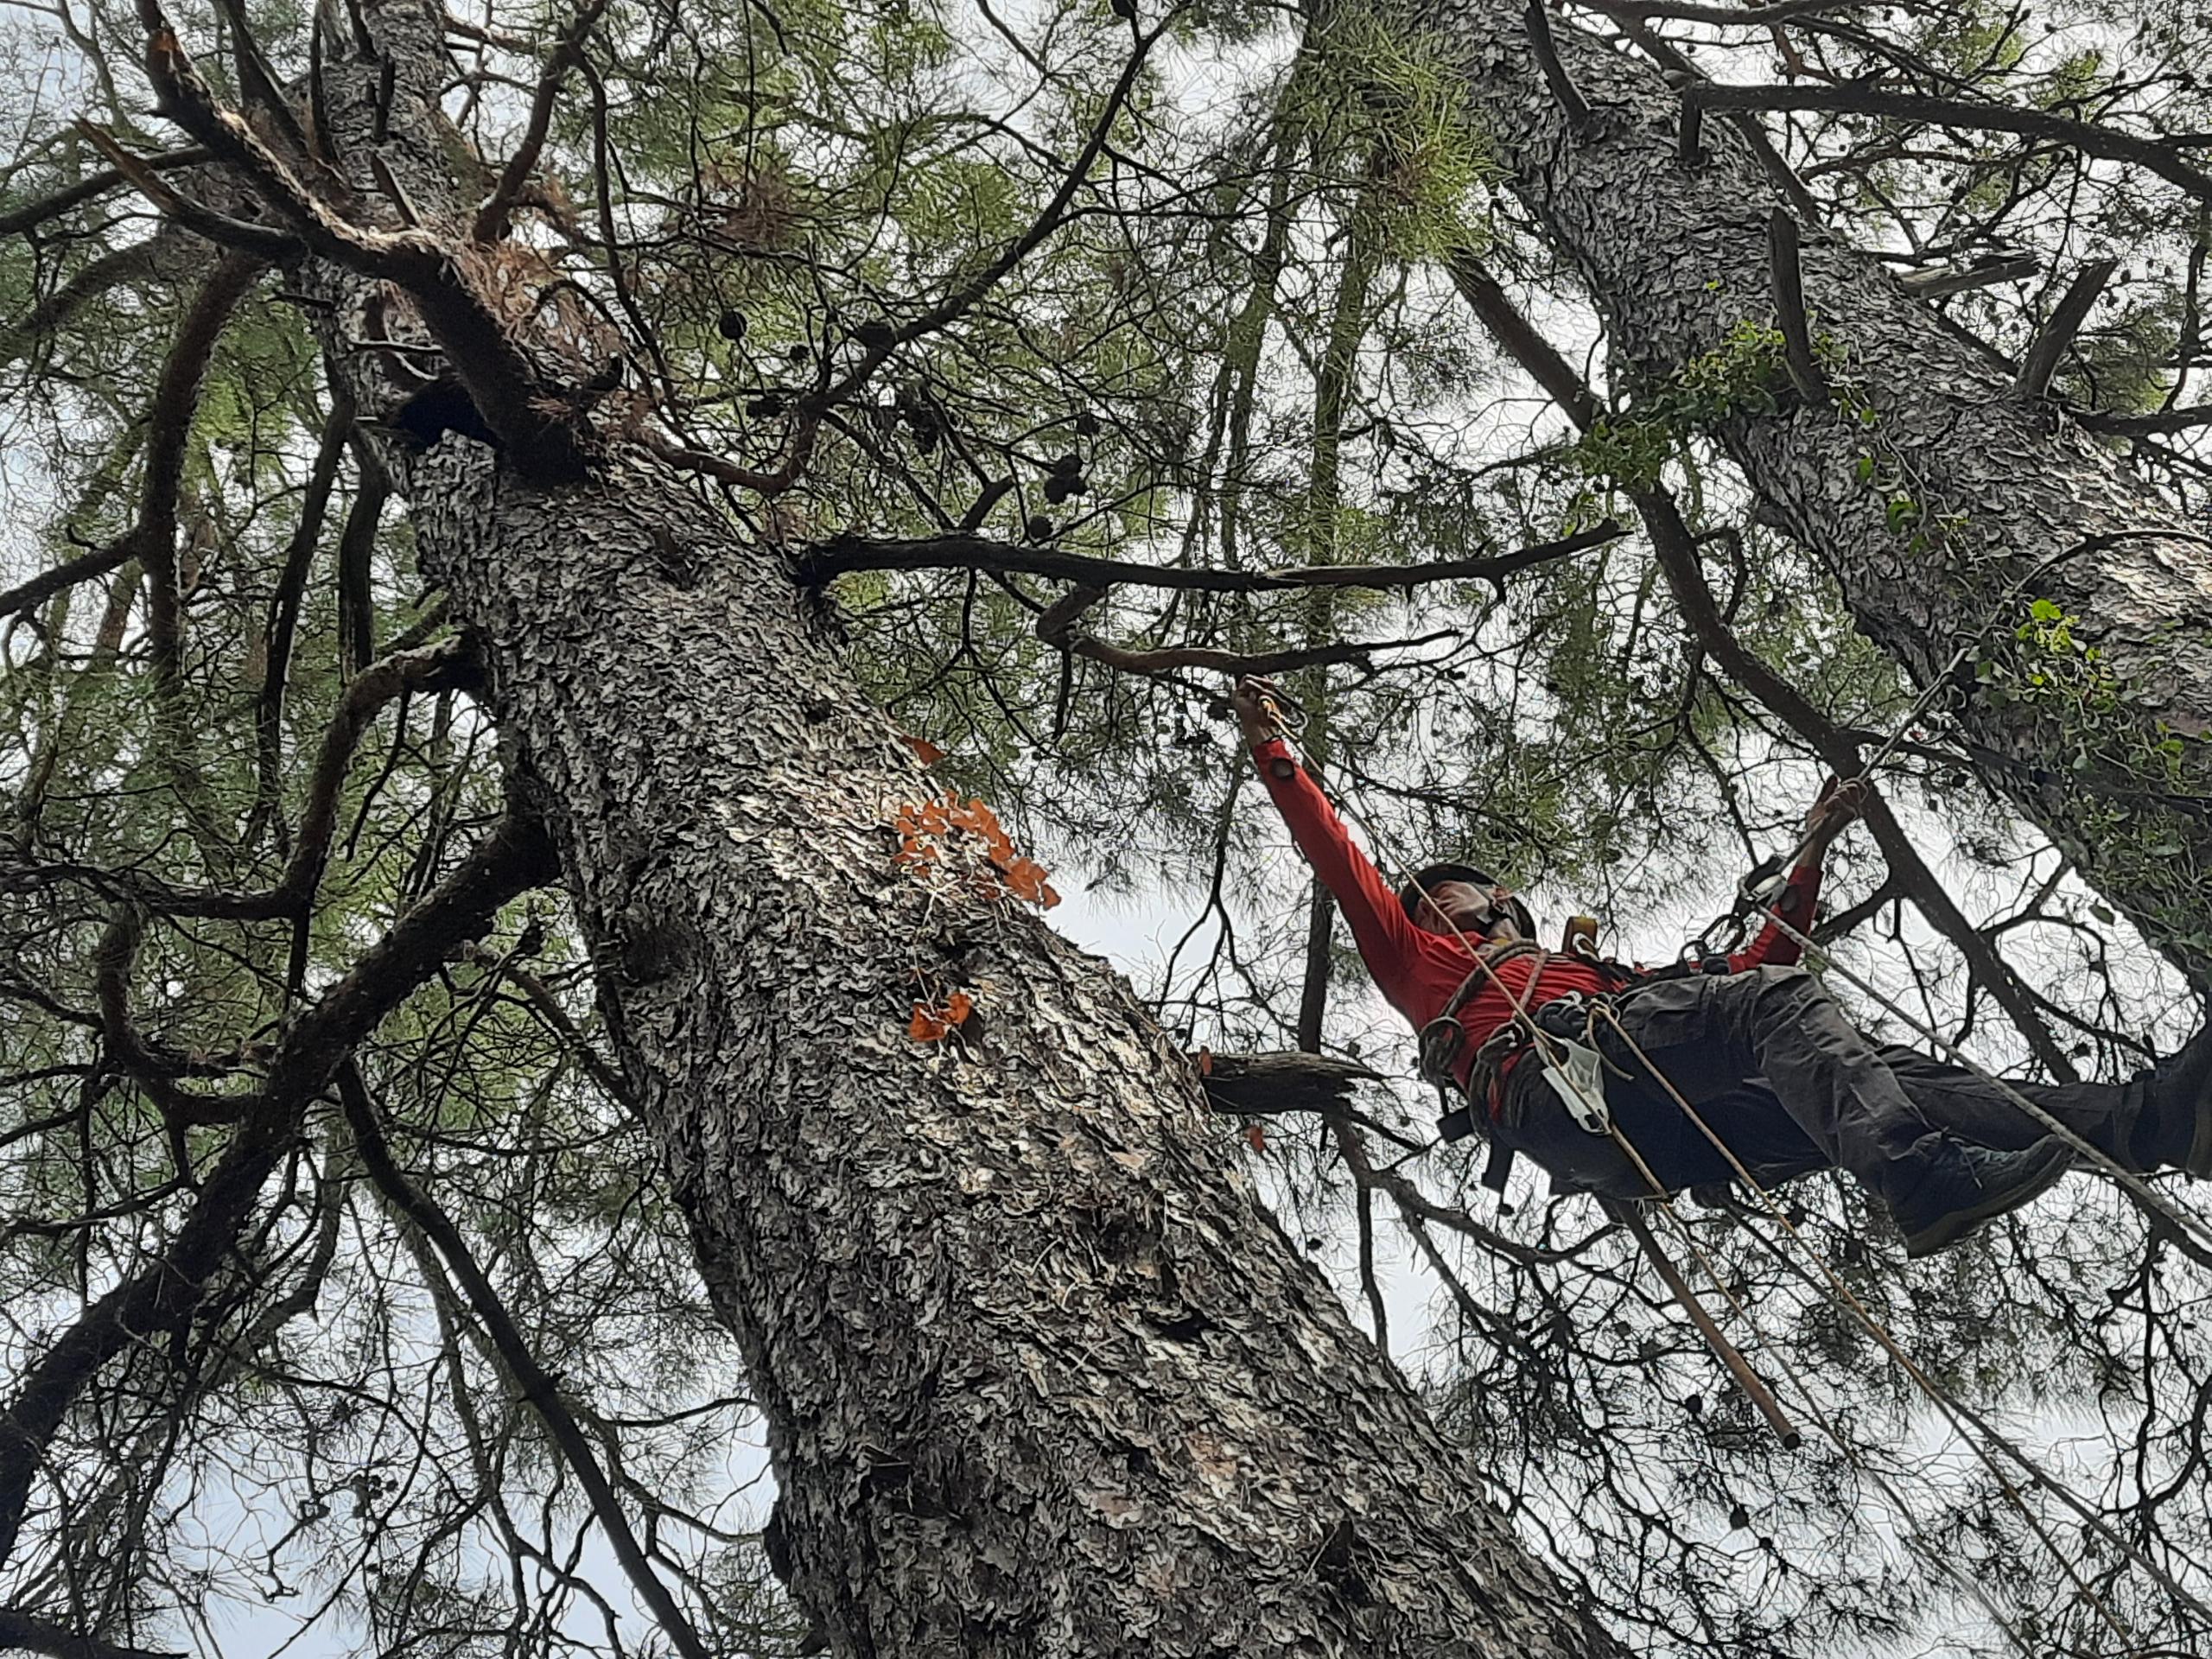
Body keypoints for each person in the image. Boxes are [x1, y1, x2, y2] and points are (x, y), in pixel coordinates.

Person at [1231, 677, 2212, 1257]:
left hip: (1651, 1119)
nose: (1432, 901)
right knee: (1778, 1008)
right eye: (1428, 896)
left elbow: (1757, 968)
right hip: (1551, 1090)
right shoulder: (1420, 964)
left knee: (1904, 1078)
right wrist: (1275, 744)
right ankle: (1918, 1182)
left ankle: (2154, 1122)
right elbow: (1336, 855)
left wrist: (1812, 855)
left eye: (1450, 891)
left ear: (1502, 903)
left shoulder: (1604, 980)